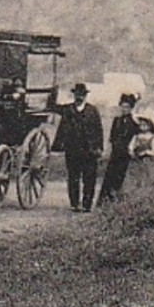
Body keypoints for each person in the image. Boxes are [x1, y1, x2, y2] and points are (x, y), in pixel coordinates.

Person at [52, 82, 104, 212]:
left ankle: (86, 205)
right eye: (77, 94)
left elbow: (99, 130)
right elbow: (52, 107)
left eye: (82, 94)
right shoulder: (67, 109)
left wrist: (99, 147)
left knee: (89, 178)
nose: (79, 97)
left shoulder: (93, 111)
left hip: (89, 150)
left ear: (85, 96)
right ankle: (74, 204)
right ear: (74, 95)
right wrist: (54, 93)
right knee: (73, 177)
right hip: (72, 149)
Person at [99, 93, 145, 205]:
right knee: (109, 176)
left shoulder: (134, 122)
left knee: (120, 177)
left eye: (127, 107)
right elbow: (112, 137)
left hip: (126, 154)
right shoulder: (117, 120)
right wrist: (108, 150)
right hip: (115, 153)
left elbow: (138, 136)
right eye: (123, 107)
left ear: (131, 108)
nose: (124, 109)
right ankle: (105, 201)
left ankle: (117, 199)